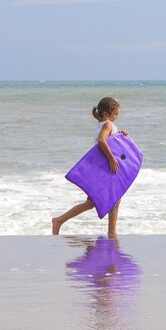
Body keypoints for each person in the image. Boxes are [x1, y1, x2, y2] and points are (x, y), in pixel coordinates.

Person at [52, 97, 128, 237]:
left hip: (101, 168)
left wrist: (121, 135)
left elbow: (113, 143)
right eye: (115, 114)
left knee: (108, 199)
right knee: (107, 199)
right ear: (106, 114)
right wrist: (111, 159)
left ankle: (111, 231)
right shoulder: (107, 125)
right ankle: (59, 220)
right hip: (105, 168)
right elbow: (101, 141)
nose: (117, 117)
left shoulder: (103, 125)